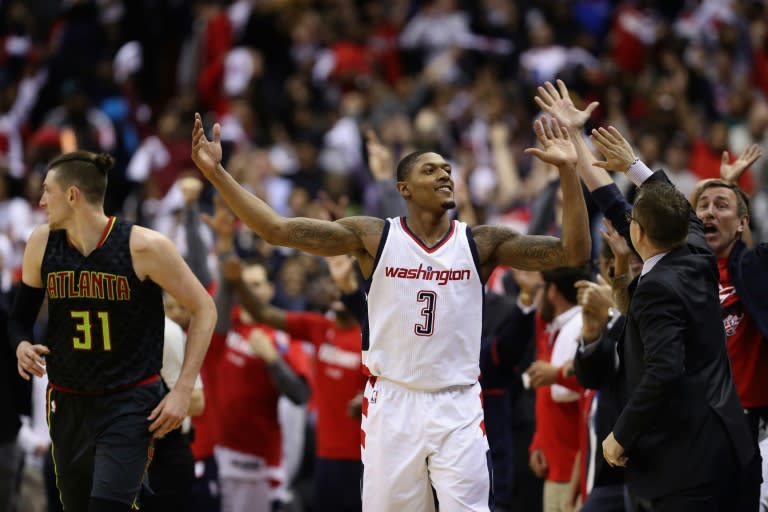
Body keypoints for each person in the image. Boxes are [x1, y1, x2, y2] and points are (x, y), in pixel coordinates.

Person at [191, 111, 591, 511]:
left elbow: (573, 252)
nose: (444, 175)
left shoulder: (481, 243)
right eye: (430, 169)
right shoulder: (374, 236)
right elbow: (276, 230)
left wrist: (569, 172)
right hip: (393, 401)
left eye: (448, 169)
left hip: (458, 403)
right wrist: (217, 174)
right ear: (404, 188)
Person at [9, 150, 217, 512]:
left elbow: (205, 308)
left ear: (72, 195)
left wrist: (183, 389)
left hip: (128, 401)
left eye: (47, 191)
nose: (41, 201)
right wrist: (21, 345)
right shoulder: (41, 243)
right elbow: (19, 319)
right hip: (68, 401)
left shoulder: (144, 246)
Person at [588, 126, 757, 511]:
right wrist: (632, 165)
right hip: (733, 451)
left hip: (691, 470)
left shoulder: (656, 288)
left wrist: (620, 435)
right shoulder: (699, 254)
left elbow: (664, 370)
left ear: (638, 232)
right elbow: (675, 209)